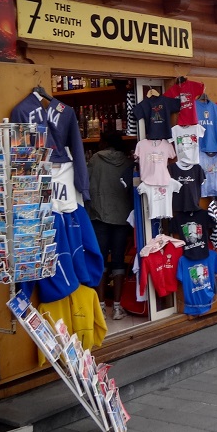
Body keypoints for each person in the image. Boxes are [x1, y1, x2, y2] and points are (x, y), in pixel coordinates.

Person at [87, 132, 134, 320]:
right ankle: (116, 307)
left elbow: (86, 184)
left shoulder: (95, 160)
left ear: (104, 142)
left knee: (100, 261)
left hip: (99, 215)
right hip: (122, 218)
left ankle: (100, 307)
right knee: (118, 261)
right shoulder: (129, 162)